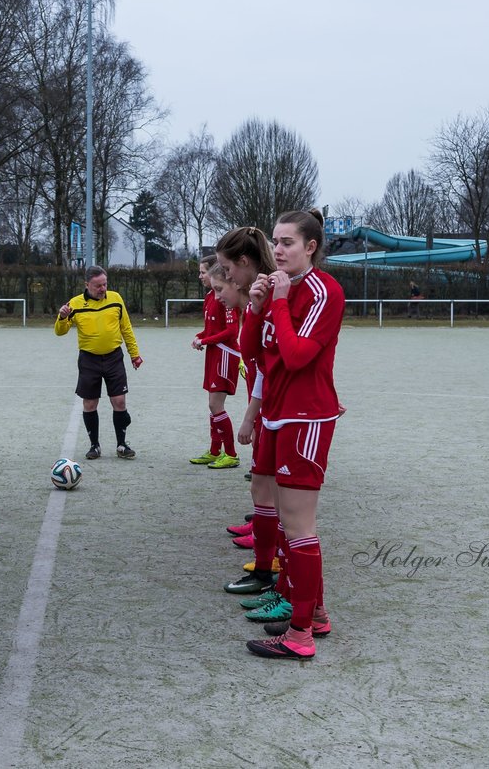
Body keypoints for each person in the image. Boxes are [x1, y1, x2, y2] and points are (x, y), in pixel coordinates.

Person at [240, 209, 345, 660]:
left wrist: (279, 304)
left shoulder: (324, 290)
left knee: (300, 526)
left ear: (310, 248)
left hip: (307, 417)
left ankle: (300, 634)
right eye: (276, 242)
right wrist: (257, 307)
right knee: (288, 522)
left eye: (287, 243)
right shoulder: (282, 288)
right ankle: (314, 613)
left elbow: (299, 355)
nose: (278, 250)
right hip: (280, 414)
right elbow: (253, 353)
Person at [214, 228, 281, 597]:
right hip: (271, 408)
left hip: (282, 411)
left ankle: (277, 574)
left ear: (243, 264)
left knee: (282, 499)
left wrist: (250, 416)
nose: (225, 281)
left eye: (226, 272)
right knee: (262, 486)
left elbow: (272, 366)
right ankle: (267, 564)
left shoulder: (275, 298)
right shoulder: (259, 304)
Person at [54, 265, 143, 460]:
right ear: (87, 285)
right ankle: (94, 445)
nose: (103, 289)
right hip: (88, 360)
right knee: (90, 403)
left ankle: (121, 444)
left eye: (105, 284)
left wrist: (134, 354)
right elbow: (60, 331)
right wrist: (62, 317)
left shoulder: (116, 299)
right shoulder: (75, 304)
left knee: (119, 401)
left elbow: (126, 328)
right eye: (98, 286)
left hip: (114, 357)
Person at [190, 255, 241, 469]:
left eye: (203, 272)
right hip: (214, 353)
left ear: (215, 274)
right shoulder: (211, 296)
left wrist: (205, 340)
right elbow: (212, 328)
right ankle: (214, 451)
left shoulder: (226, 297)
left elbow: (231, 331)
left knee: (215, 404)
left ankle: (231, 454)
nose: (200, 276)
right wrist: (200, 336)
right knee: (213, 406)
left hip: (225, 354)